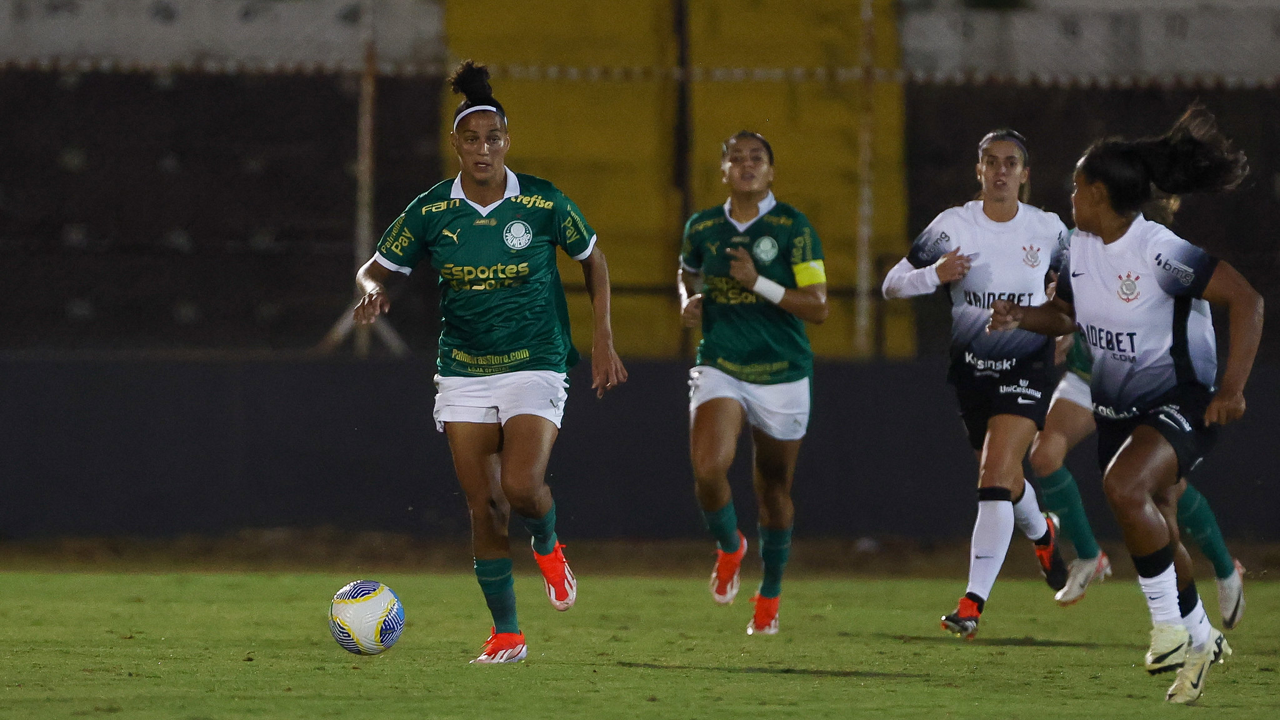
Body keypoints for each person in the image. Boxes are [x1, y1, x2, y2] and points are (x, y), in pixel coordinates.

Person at [353, 60, 628, 664]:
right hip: (464, 371)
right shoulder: (431, 211)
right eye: (472, 139)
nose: (483, 149)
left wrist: (603, 336)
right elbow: (373, 268)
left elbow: (593, 258)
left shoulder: (542, 201)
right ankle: (508, 635)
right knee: (485, 506)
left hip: (535, 361)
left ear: (507, 142)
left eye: (493, 138)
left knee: (522, 485)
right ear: (455, 144)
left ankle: (548, 546)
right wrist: (373, 290)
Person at [989, 105, 1261, 703]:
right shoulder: (1076, 248)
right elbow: (1066, 315)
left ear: (1100, 194)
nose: (1070, 194)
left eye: (1078, 185)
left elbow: (1248, 300)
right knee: (1159, 523)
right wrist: (1020, 317)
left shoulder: (1158, 250)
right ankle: (1200, 637)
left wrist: (1232, 388)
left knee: (1124, 486)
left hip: (1182, 399)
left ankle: (1168, 632)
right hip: (1118, 408)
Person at [882, 129, 1069, 639]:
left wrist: (1063, 326)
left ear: (1025, 174)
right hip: (972, 372)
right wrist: (935, 274)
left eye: (1011, 162)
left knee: (993, 476)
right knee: (1005, 480)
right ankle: (1044, 533)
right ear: (979, 169)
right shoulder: (953, 226)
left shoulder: (1049, 229)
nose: (1001, 171)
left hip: (1027, 368)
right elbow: (892, 284)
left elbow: (1076, 294)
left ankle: (972, 603)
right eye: (991, 161)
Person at [678, 131, 828, 636]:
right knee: (707, 468)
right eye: (736, 158)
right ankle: (729, 546)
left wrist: (756, 282)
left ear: (771, 171)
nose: (746, 165)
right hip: (721, 362)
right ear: (722, 169)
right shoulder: (702, 226)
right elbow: (687, 272)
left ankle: (770, 592)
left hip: (782, 371)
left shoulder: (792, 227)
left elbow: (819, 306)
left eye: (756, 158)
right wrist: (687, 299)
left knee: (774, 490)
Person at [1031, 328, 1246, 622]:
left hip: (1143, 381)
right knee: (1044, 455)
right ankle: (1088, 555)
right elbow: (1067, 308)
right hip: (1087, 377)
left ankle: (1225, 571)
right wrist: (1065, 326)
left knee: (1160, 487)